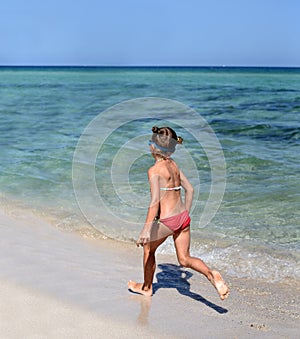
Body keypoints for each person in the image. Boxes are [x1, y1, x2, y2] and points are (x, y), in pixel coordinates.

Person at [128, 126, 229, 300]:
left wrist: (145, 231)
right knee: (185, 259)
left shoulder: (154, 171)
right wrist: (184, 215)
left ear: (154, 147)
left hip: (168, 220)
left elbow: (154, 203)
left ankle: (146, 287)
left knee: (147, 249)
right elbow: (189, 190)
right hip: (183, 219)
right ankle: (211, 274)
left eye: (150, 143)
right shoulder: (174, 165)